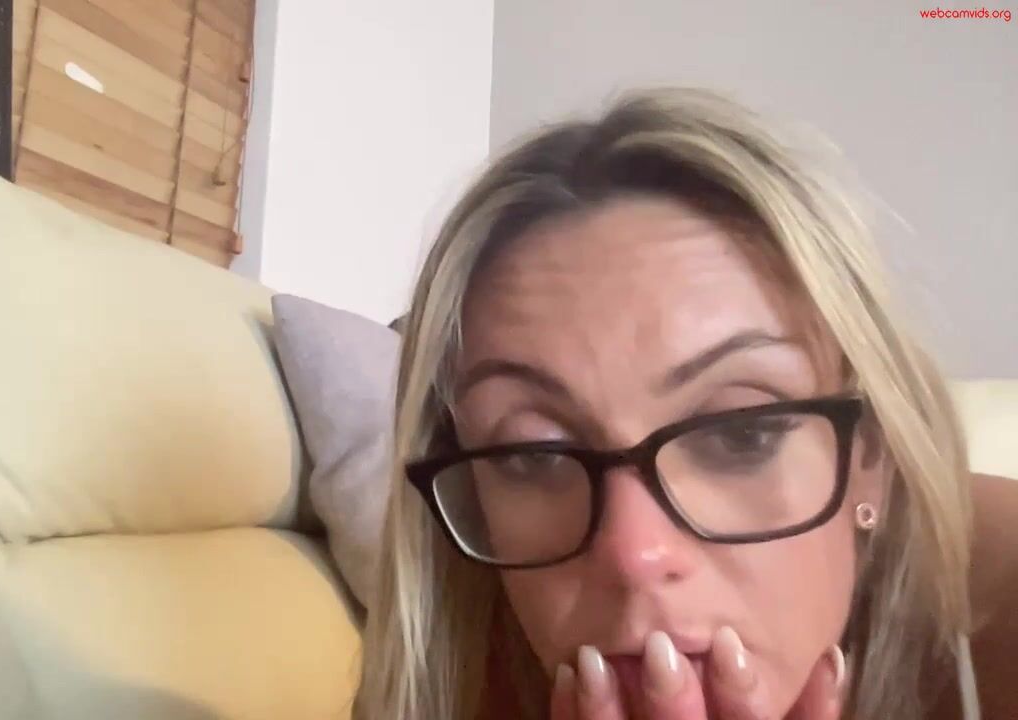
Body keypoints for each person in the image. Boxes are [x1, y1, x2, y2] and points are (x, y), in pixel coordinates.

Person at [353, 88, 1017, 720]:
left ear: (871, 455)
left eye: (739, 435)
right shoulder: (455, 660)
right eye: (534, 456)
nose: (633, 555)